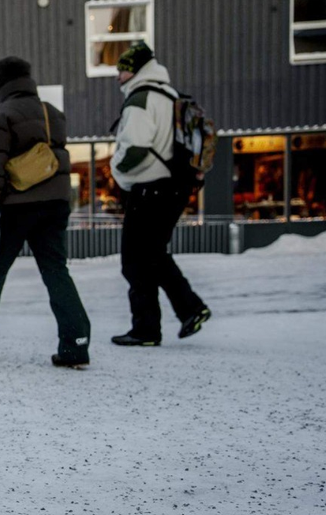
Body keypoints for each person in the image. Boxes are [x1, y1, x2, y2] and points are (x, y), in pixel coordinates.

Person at [0, 56, 91, 368]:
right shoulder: (53, 115)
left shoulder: (0, 116)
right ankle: (76, 342)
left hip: (16, 208)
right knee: (56, 271)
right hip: (54, 205)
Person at [109, 43, 211, 346]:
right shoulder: (170, 96)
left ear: (137, 69)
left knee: (134, 259)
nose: (119, 76)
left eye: (123, 69)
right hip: (175, 186)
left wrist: (118, 172)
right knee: (152, 254)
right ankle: (184, 312)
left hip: (151, 188)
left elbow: (135, 148)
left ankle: (149, 328)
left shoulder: (141, 99)